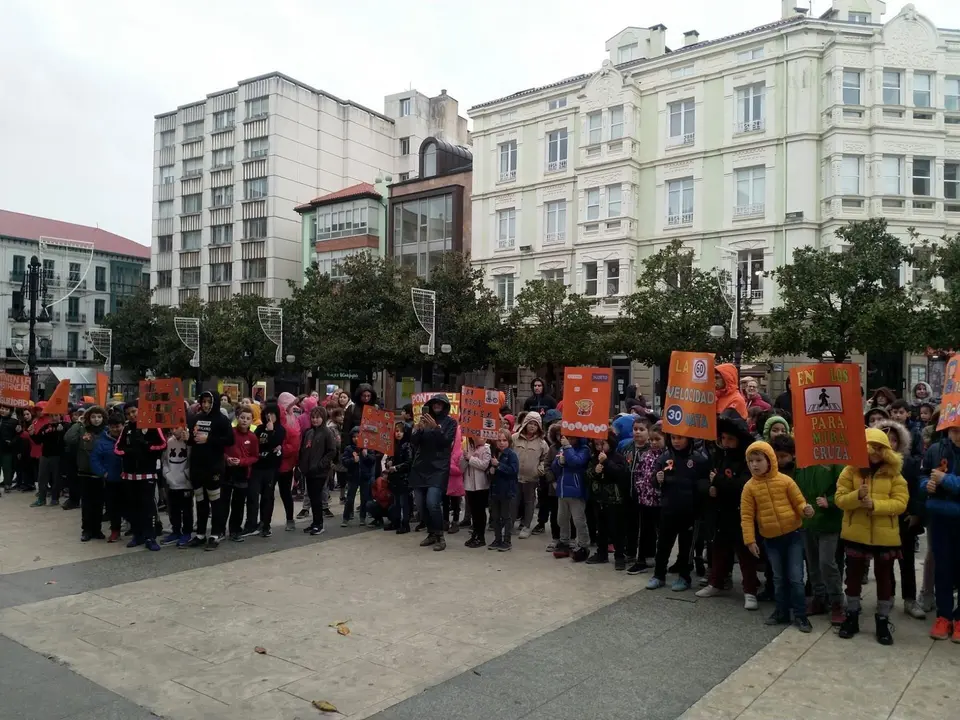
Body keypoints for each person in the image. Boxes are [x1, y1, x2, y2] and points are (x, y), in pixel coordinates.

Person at [834, 427, 909, 645]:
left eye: (880, 448)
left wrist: (876, 504)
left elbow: (901, 503)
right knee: (853, 576)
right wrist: (857, 496)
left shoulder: (895, 474)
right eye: (871, 448)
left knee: (884, 578)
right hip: (856, 532)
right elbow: (839, 499)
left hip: (885, 536)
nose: (875, 452)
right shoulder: (850, 471)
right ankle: (852, 616)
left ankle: (883, 620)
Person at [740, 440, 814, 632]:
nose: (754, 465)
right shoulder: (749, 488)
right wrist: (750, 540)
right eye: (751, 461)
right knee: (779, 578)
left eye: (758, 460)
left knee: (796, 577)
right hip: (771, 540)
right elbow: (746, 516)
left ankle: (800, 615)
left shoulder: (785, 481)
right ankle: (781, 611)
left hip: (793, 536)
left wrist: (805, 510)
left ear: (769, 460)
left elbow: (799, 501)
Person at [697, 413, 760, 610]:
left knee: (744, 554)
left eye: (730, 439)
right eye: (723, 438)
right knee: (719, 550)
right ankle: (716, 582)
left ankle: (750, 591)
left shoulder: (746, 459)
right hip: (720, 512)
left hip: (741, 512)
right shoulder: (718, 455)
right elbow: (703, 478)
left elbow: (742, 484)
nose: (725, 442)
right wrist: (709, 487)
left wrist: (718, 482)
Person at [790, 437, 846, 625]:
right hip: (807, 520)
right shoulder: (802, 459)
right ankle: (819, 598)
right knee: (812, 563)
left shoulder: (833, 458)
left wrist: (829, 501)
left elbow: (844, 487)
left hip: (828, 521)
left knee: (826, 563)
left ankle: (837, 601)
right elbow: (795, 485)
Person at [646, 433, 711, 592]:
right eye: (673, 438)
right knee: (663, 545)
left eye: (680, 438)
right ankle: (658, 575)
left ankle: (684, 577)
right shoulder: (665, 457)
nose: (676, 441)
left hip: (690, 511)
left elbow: (704, 486)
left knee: (686, 547)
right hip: (668, 508)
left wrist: (704, 489)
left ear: (688, 438)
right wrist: (657, 478)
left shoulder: (699, 459)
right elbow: (655, 481)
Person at [877, 419, 927, 620]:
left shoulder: (910, 464)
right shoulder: (872, 465)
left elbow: (917, 491)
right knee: (885, 561)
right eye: (885, 440)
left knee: (906, 562)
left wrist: (915, 514)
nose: (890, 444)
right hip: (882, 519)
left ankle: (909, 599)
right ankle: (887, 596)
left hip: (904, 520)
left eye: (894, 440)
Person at [919, 423, 960, 642]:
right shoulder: (937, 449)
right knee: (942, 567)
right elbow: (923, 476)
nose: (956, 434)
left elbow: (944, 478)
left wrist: (946, 480)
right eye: (953, 429)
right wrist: (927, 485)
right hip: (941, 518)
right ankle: (944, 616)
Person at [114, 402, 167, 551]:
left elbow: (162, 444)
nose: (131, 415)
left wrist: (147, 446)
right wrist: (128, 452)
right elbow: (117, 448)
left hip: (147, 473)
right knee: (133, 506)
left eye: (133, 412)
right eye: (128, 413)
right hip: (130, 475)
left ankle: (150, 537)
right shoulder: (126, 428)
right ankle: (137, 535)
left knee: (148, 506)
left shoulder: (152, 425)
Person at [409, 394, 458, 551]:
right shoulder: (423, 419)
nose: (437, 405)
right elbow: (414, 443)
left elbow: (445, 442)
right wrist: (418, 430)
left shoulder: (451, 422)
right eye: (434, 403)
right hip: (421, 467)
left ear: (445, 405)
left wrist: (436, 428)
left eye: (440, 403)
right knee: (421, 505)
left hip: (438, 468)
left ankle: (439, 536)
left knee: (432, 502)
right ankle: (430, 533)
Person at [187, 391, 235, 550]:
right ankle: (200, 534)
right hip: (197, 466)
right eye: (203, 401)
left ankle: (215, 534)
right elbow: (191, 440)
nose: (206, 405)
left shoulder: (222, 420)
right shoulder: (195, 418)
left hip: (214, 466)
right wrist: (186, 436)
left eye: (209, 402)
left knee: (216, 502)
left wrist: (209, 439)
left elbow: (230, 440)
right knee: (200, 501)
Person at [585, 430, 631, 570]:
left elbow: (621, 474)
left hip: (614, 499)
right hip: (599, 499)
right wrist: (595, 471)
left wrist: (607, 463)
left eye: (603, 444)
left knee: (617, 529)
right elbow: (588, 475)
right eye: (597, 444)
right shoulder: (594, 458)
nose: (600, 447)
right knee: (601, 528)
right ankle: (602, 553)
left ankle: (619, 556)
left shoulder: (617, 457)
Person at [630, 421, 665, 574]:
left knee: (661, 533)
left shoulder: (667, 457)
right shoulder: (646, 455)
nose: (654, 443)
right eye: (651, 440)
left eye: (657, 439)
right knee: (644, 531)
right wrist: (639, 487)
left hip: (661, 501)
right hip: (645, 499)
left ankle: (660, 560)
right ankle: (642, 559)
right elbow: (638, 472)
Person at [298, 406, 337, 536]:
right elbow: (304, 450)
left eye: (318, 417)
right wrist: (302, 465)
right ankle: (315, 522)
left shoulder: (327, 432)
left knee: (316, 498)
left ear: (323, 418)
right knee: (312, 497)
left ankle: (319, 524)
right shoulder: (309, 432)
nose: (315, 420)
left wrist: (321, 464)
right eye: (313, 417)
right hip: (308, 471)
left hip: (319, 472)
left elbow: (332, 451)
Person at [551, 434, 591, 561]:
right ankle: (564, 542)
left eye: (572, 438)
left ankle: (583, 545)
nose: (569, 440)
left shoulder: (584, 449)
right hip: (562, 489)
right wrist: (559, 462)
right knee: (561, 518)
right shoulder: (563, 448)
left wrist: (568, 447)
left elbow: (576, 462)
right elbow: (554, 467)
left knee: (579, 520)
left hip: (576, 490)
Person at [221, 407, 259, 543]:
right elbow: (222, 450)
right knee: (223, 502)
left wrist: (242, 462)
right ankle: (219, 530)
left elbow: (255, 457)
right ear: (237, 417)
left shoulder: (252, 437)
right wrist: (227, 459)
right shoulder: (230, 433)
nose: (244, 421)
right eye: (242, 417)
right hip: (227, 471)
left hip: (242, 473)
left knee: (238, 504)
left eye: (248, 418)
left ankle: (235, 530)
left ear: (251, 421)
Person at [619, 416, 651, 571]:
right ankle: (630, 552)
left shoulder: (652, 449)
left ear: (648, 432)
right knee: (629, 524)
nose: (637, 432)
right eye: (635, 429)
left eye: (641, 429)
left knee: (646, 527)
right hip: (627, 492)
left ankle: (647, 555)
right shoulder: (626, 447)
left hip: (645, 495)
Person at [249, 402, 285, 537]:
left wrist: (271, 432)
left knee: (267, 497)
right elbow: (256, 444)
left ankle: (266, 524)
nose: (268, 417)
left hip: (271, 468)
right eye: (266, 414)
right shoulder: (259, 429)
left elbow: (276, 444)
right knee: (253, 496)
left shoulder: (280, 429)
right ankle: (252, 524)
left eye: (271, 414)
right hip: (257, 466)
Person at [512, 413, 548, 539]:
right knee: (514, 501)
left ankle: (526, 526)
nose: (532, 426)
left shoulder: (542, 443)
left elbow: (546, 459)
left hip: (531, 478)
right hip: (515, 477)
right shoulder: (514, 438)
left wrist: (539, 470)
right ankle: (510, 524)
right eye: (530, 423)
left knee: (529, 502)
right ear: (525, 424)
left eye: (535, 424)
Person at [90, 413, 125, 542]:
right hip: (111, 480)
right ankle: (115, 530)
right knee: (113, 507)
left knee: (131, 505)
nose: (115, 429)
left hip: (128, 478)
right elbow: (95, 459)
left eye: (118, 426)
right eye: (112, 427)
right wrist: (103, 473)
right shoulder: (101, 441)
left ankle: (135, 529)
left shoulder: (128, 438)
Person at [76, 406, 108, 542]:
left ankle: (97, 529)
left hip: (101, 473)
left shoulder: (106, 432)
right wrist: (79, 423)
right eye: (93, 417)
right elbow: (69, 438)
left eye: (99, 417)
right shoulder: (83, 430)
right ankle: (86, 529)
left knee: (99, 503)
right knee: (87, 503)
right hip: (86, 472)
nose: (96, 420)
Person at [488, 429, 519, 551]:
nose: (501, 443)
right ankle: (497, 539)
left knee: (506, 516)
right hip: (495, 490)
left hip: (507, 490)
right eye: (499, 440)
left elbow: (513, 470)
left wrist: (499, 466)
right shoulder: (495, 453)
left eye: (504, 440)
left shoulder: (511, 455)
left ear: (509, 441)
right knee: (495, 516)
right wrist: (490, 471)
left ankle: (507, 540)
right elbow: (491, 470)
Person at [340, 425, 378, 528]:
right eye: (354, 437)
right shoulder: (349, 448)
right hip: (353, 477)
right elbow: (344, 461)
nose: (356, 439)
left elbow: (373, 460)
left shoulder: (367, 447)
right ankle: (346, 518)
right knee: (350, 498)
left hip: (365, 477)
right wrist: (353, 460)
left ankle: (362, 517)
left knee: (364, 498)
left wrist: (366, 455)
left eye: (358, 436)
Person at [160, 426, 192, 547]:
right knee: (174, 509)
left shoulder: (189, 441)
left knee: (187, 509)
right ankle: (176, 530)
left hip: (186, 482)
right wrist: (167, 474)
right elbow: (165, 460)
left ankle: (187, 532)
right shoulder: (169, 441)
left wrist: (187, 475)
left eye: (177, 428)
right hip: (172, 480)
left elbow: (191, 459)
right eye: (172, 428)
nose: (174, 431)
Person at [276, 392, 301, 530]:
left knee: (285, 493)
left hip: (286, 463)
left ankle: (290, 519)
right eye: (289, 404)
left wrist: (282, 451)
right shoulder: (278, 419)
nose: (292, 407)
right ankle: (264, 522)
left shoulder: (294, 420)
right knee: (269, 495)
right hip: (275, 463)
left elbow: (295, 444)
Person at [31, 410, 65, 507]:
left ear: (60, 415)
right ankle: (41, 499)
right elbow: (38, 441)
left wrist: (61, 432)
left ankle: (55, 498)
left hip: (57, 456)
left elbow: (64, 441)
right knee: (42, 478)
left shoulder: (64, 426)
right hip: (45, 456)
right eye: (52, 416)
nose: (54, 417)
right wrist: (32, 434)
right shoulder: (45, 427)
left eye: (56, 415)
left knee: (56, 479)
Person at [385, 421, 414, 534]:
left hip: (403, 477)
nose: (398, 433)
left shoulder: (407, 445)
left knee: (403, 502)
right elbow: (389, 457)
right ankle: (396, 521)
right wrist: (388, 462)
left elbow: (409, 462)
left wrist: (396, 467)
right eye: (397, 431)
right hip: (395, 477)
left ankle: (405, 523)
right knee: (396, 501)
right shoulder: (393, 445)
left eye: (401, 431)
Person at [463, 436, 491, 547]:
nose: (482, 438)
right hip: (469, 485)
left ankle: (481, 536)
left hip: (481, 485)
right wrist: (464, 458)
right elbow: (461, 467)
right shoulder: (467, 447)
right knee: (473, 511)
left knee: (480, 511)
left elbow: (484, 465)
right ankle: (475, 534)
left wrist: (471, 459)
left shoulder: (486, 448)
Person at [0, 404, 21, 492]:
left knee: (7, 468)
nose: (3, 410)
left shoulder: (14, 422)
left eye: (6, 409)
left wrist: (11, 442)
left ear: (10, 411)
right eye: (1, 408)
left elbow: (17, 435)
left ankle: (7, 484)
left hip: (7, 449)